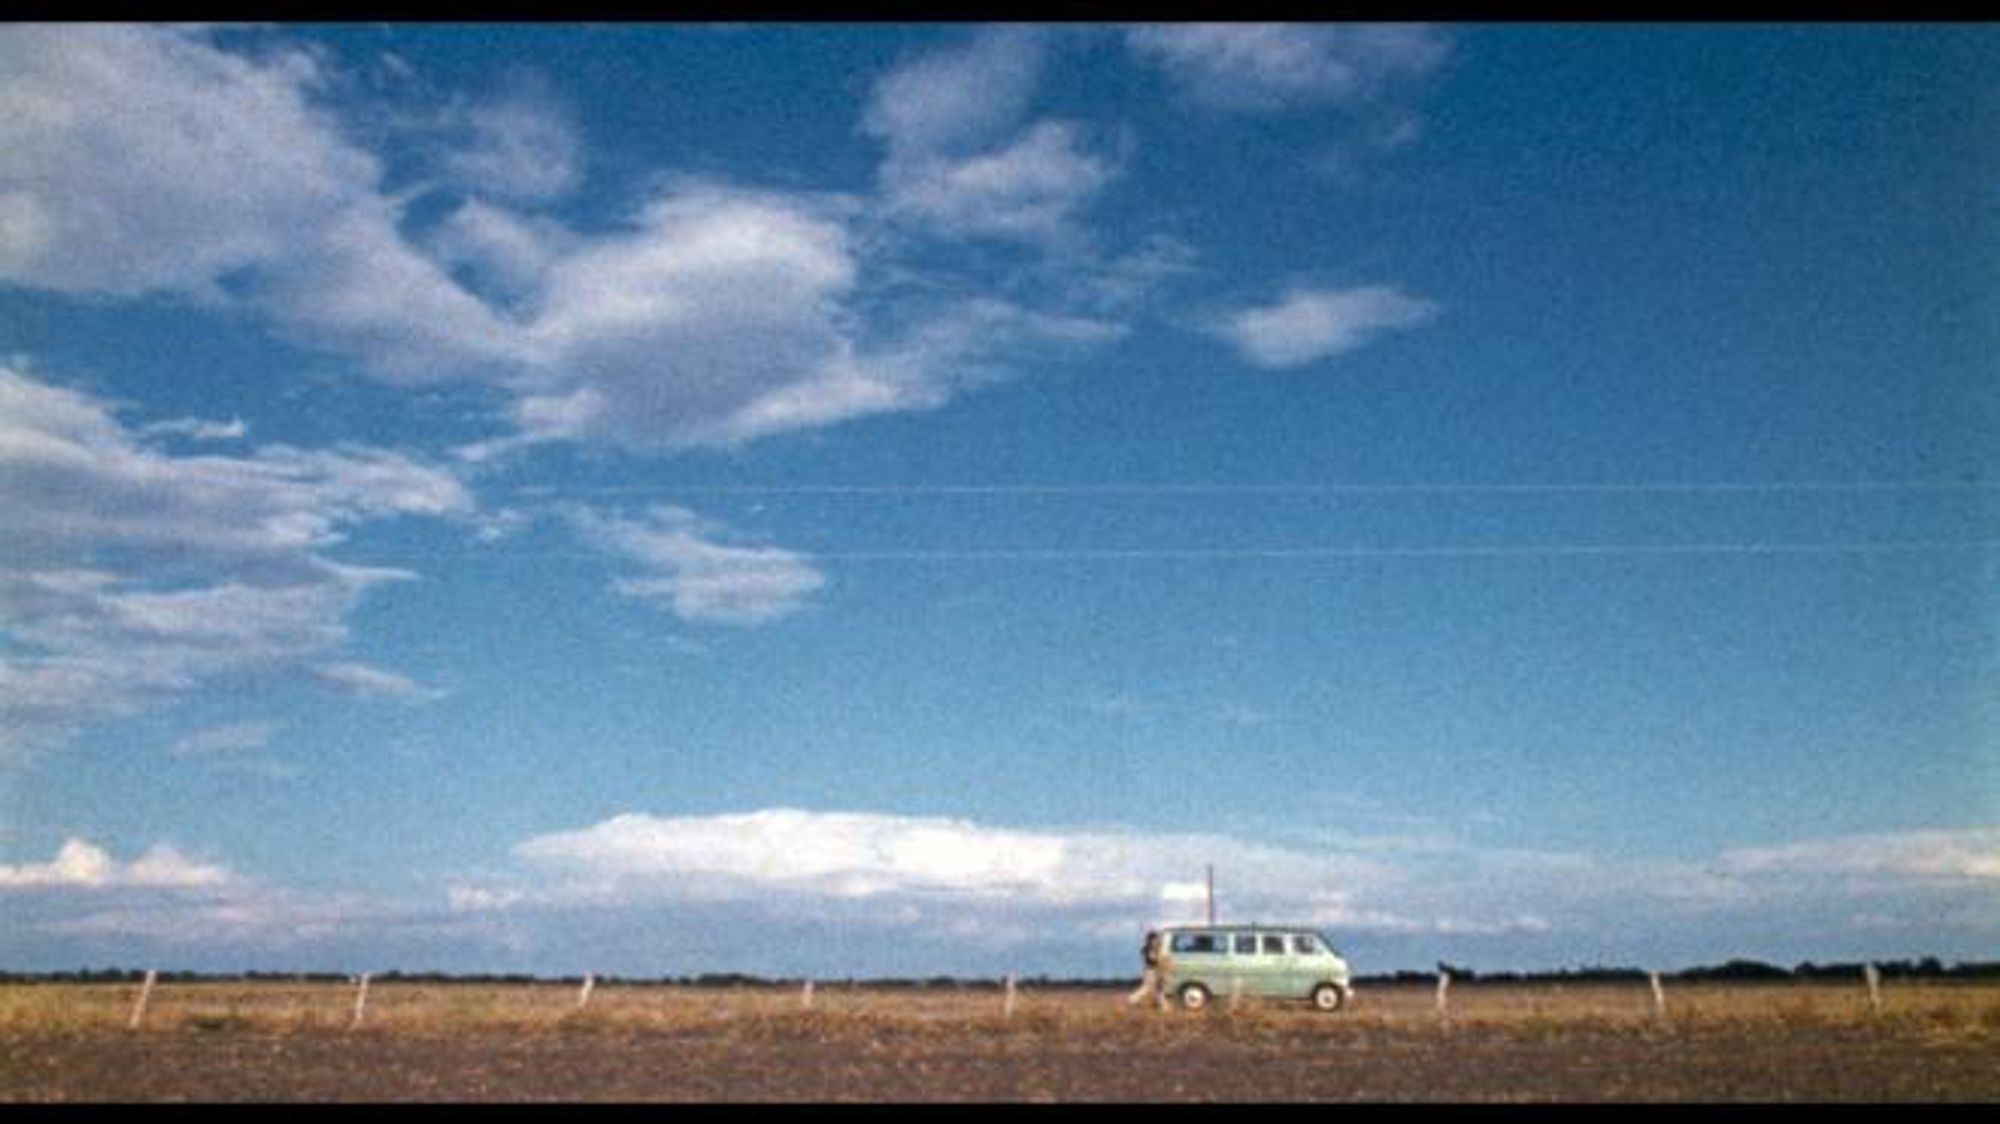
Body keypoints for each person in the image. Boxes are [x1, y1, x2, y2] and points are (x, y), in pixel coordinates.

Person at [1127, 929, 1164, 1007]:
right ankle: (1133, 998)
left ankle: (1161, 1003)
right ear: (1151, 940)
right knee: (1148, 987)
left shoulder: (1149, 948)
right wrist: (1159, 955)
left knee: (1159, 987)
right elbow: (1153, 959)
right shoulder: (1149, 948)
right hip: (1151, 970)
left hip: (1152, 970)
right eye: (1156, 939)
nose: (1157, 940)